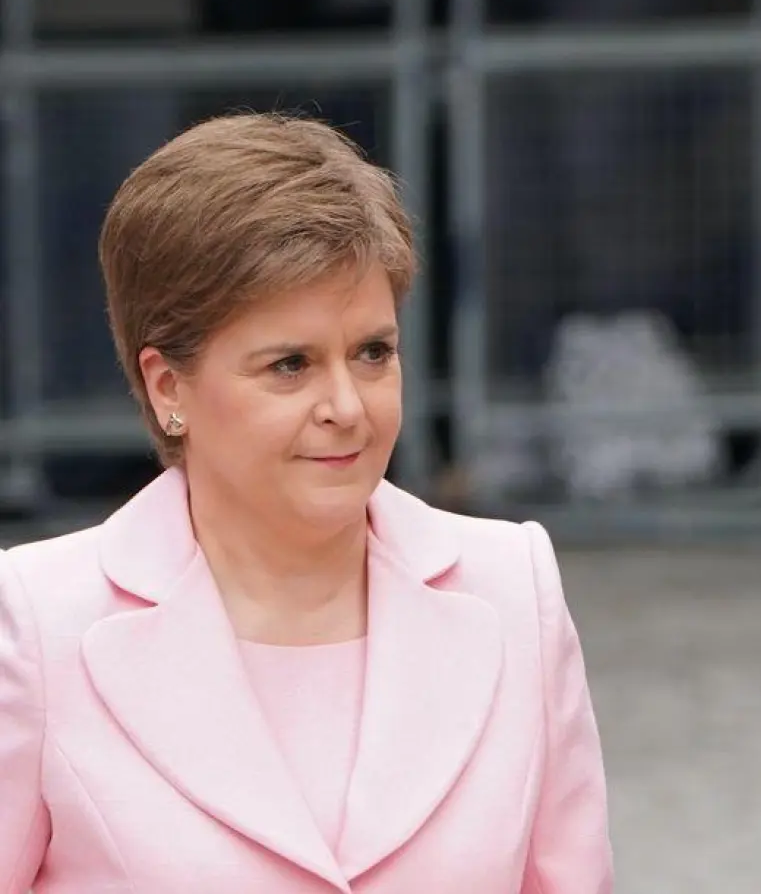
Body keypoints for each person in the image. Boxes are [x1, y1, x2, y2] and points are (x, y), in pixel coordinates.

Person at [0, 113, 613, 893]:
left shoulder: (513, 584)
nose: (346, 406)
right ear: (167, 387)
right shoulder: (35, 625)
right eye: (290, 365)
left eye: (372, 354)